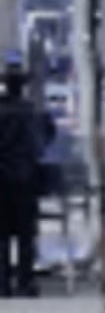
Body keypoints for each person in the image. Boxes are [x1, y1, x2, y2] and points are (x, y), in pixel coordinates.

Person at [0, 58, 51, 297]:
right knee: (26, 233)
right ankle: (25, 281)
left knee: (1, 233)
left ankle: (2, 282)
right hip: (25, 177)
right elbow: (42, 141)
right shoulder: (32, 112)